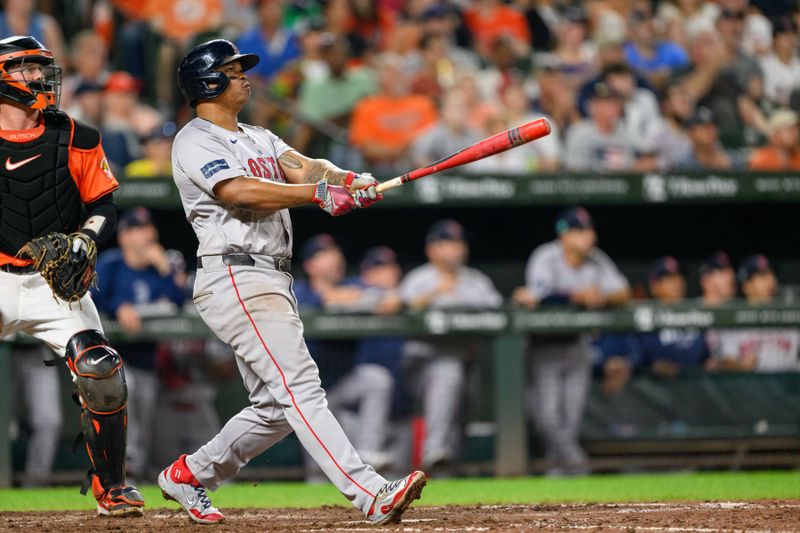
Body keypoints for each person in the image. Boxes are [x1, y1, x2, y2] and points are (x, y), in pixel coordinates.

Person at [159, 39, 426, 525]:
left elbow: (307, 167)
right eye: (232, 69)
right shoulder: (195, 139)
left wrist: (347, 179)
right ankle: (369, 492)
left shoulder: (258, 135)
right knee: (301, 388)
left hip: (269, 277)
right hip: (236, 273)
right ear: (207, 81)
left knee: (276, 408)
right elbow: (238, 192)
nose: (243, 76)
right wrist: (318, 193)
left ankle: (191, 474)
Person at [0, 35, 144, 516]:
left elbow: (105, 204)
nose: (39, 78)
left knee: (101, 369)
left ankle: (113, 486)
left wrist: (84, 239)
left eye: (41, 68)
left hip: (53, 282)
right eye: (26, 69)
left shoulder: (77, 135)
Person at [513, 207, 631, 476]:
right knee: (547, 419)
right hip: (545, 345)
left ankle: (559, 475)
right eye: (580, 231)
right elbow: (538, 296)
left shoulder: (597, 260)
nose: (588, 237)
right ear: (564, 235)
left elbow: (623, 291)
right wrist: (579, 296)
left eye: (589, 231)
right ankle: (580, 466)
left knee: (570, 420)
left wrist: (601, 295)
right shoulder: (546, 256)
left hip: (578, 345)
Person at [91, 206, 186, 482]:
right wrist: (117, 306)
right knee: (126, 404)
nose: (149, 235)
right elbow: (91, 297)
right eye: (140, 230)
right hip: (112, 357)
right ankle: (122, 474)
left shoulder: (158, 269)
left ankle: (136, 474)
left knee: (144, 421)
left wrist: (166, 269)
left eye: (149, 229)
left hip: (146, 357)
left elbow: (178, 302)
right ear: (124, 237)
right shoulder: (111, 264)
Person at [399, 220, 503, 472]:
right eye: (446, 243)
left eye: (458, 243)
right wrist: (433, 294)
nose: (455, 249)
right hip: (421, 363)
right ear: (432, 250)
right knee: (448, 371)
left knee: (463, 408)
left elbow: (499, 310)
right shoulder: (419, 279)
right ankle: (433, 451)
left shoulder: (475, 280)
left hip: (466, 359)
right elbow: (401, 307)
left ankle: (445, 467)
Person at [293, 235, 394, 477]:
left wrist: (358, 298)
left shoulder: (354, 284)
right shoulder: (297, 290)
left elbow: (391, 298)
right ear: (310, 265)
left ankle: (369, 452)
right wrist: (343, 300)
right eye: (325, 254)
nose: (335, 258)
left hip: (343, 381)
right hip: (306, 392)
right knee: (318, 472)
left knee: (376, 379)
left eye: (336, 253)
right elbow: (320, 301)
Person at [706, 255, 800, 372]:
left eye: (772, 275)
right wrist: (740, 367)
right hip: (749, 387)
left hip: (788, 386)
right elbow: (726, 360)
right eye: (762, 276)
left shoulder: (789, 315)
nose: (771, 281)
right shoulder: (734, 317)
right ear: (746, 285)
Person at [639, 257, 708, 379]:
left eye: (680, 276)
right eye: (669, 278)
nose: (678, 282)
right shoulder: (643, 318)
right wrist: (651, 367)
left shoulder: (697, 313)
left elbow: (706, 356)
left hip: (698, 388)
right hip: (658, 389)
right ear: (654, 286)